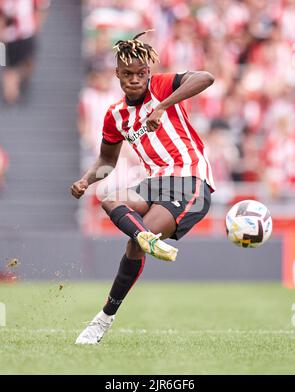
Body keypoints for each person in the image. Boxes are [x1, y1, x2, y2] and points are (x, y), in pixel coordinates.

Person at [71, 31, 215, 345]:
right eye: (127, 74)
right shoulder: (116, 115)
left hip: (189, 178)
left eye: (140, 73)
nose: (134, 79)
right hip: (153, 183)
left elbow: (205, 77)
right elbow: (107, 161)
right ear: (117, 75)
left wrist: (162, 106)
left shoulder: (162, 86)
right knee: (109, 198)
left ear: (148, 72)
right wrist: (86, 179)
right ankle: (145, 242)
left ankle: (102, 319)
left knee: (135, 246)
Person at [0, 0, 50, 104]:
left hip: (26, 35)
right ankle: (10, 95)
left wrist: (37, 25)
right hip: (9, 38)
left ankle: (17, 83)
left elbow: (43, 8)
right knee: (8, 66)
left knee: (29, 63)